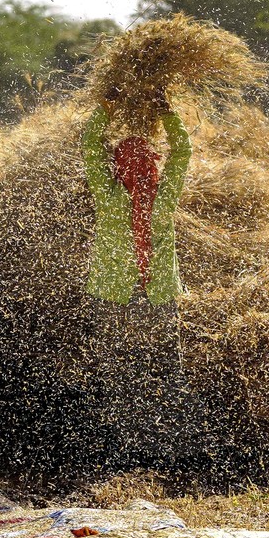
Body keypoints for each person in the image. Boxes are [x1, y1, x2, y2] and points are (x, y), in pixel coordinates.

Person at [81, 88, 194, 467]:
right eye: (143, 164)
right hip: (141, 296)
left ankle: (145, 444)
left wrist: (110, 108)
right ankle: (150, 445)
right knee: (150, 366)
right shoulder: (154, 196)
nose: (143, 171)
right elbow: (182, 153)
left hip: (129, 295)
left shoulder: (112, 195)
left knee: (131, 366)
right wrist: (163, 114)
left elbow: (90, 145)